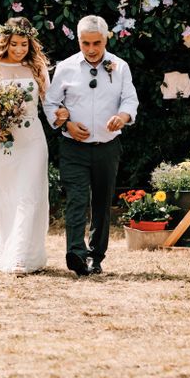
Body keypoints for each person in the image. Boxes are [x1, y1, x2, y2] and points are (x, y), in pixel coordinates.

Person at [44, 15, 139, 276]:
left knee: (101, 202)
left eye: (96, 43)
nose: (91, 49)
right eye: (85, 43)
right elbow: (51, 103)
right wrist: (67, 126)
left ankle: (96, 256)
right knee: (76, 199)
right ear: (78, 41)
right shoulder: (65, 67)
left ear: (106, 39)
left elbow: (130, 100)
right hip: (73, 148)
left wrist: (122, 117)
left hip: (108, 147)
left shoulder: (120, 67)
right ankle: (76, 253)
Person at [0, 17, 67, 274]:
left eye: (24, 44)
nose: (19, 49)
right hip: (3, 141)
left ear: (31, 43)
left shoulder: (37, 67)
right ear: (5, 41)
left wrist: (61, 117)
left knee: (29, 196)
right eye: (15, 44)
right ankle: (8, 251)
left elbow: (48, 103)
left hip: (32, 141)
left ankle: (21, 257)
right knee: (5, 197)